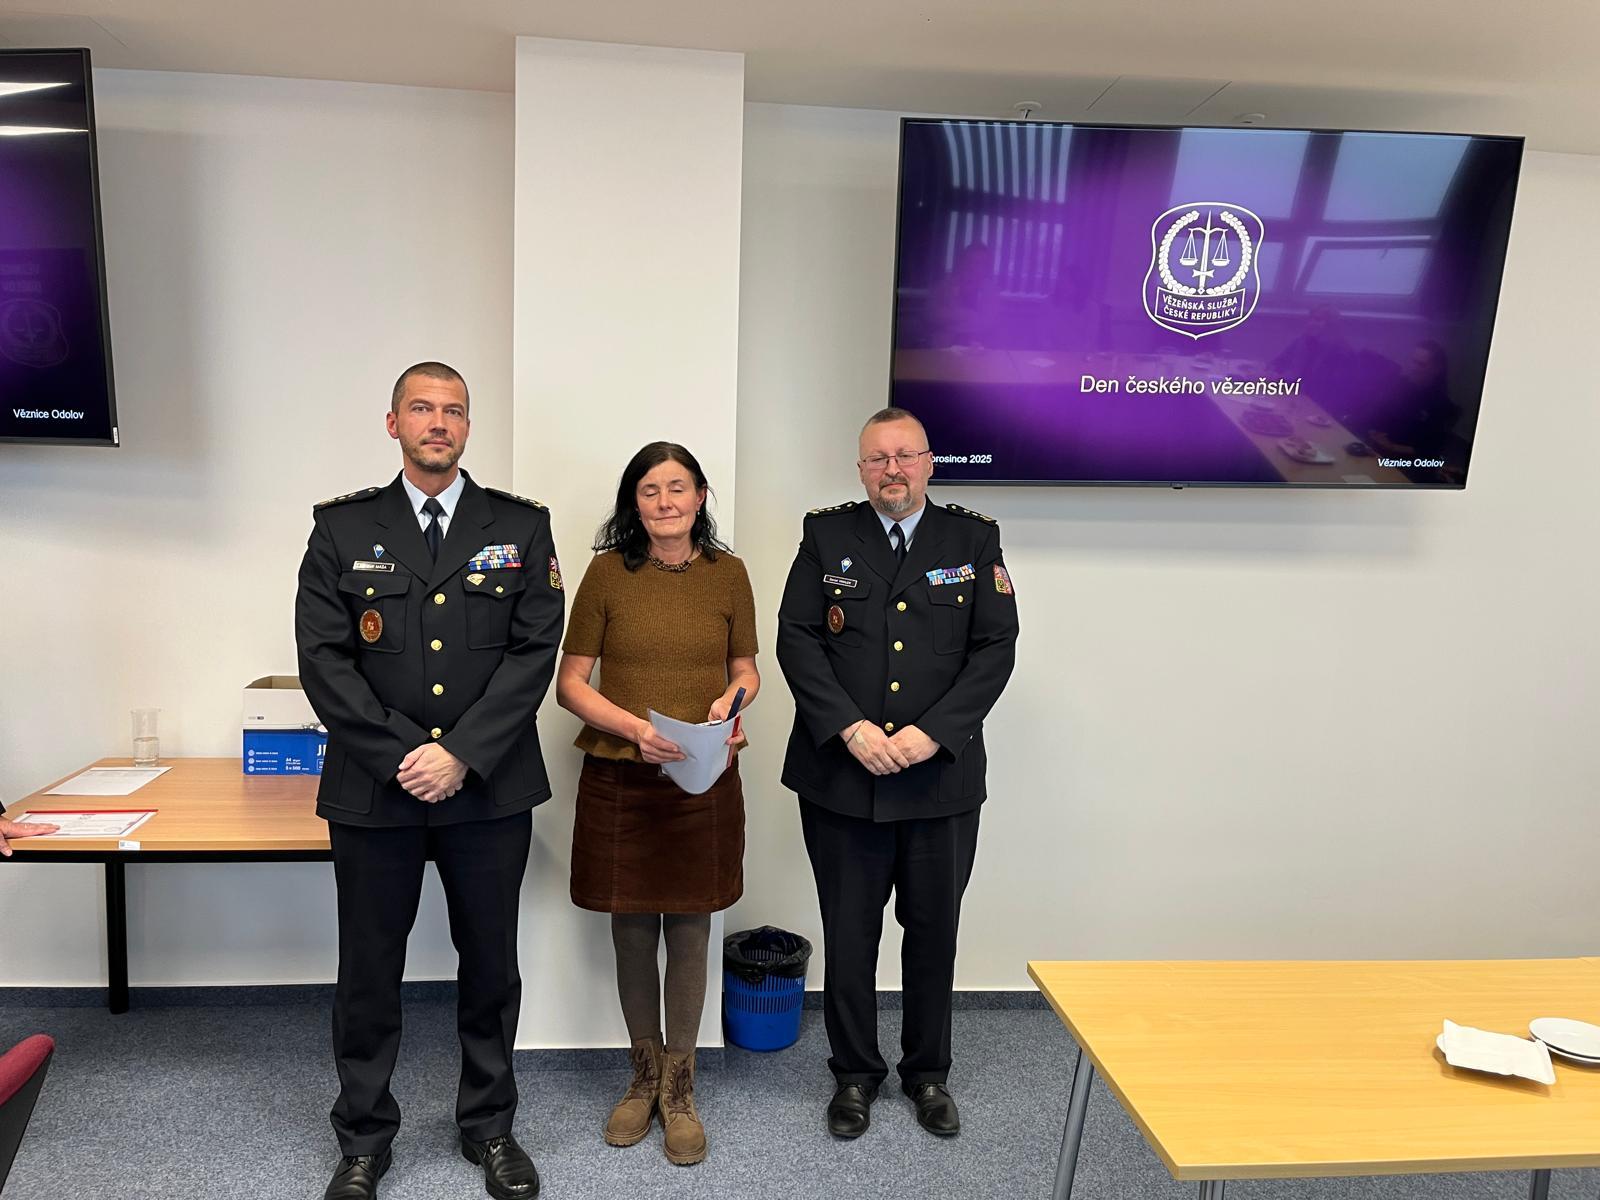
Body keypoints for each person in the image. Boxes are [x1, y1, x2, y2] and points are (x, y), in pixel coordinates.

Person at [295, 362, 563, 1200]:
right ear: (394, 424)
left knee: (490, 965)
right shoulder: (342, 528)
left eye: (453, 410)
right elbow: (324, 659)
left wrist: (462, 755)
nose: (438, 422)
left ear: (468, 428)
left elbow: (533, 653)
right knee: (368, 971)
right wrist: (404, 755)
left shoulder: (520, 526)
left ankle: (490, 1127)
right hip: (376, 789)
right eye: (422, 408)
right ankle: (363, 1140)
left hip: (488, 787)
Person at [776, 406, 1019, 1140]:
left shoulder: (972, 539)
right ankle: (854, 1075)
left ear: (928, 463)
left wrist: (932, 735)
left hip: (938, 780)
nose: (892, 470)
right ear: (861, 469)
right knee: (849, 934)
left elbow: (995, 647)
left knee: (934, 933)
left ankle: (928, 1074)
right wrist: (851, 728)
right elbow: (797, 638)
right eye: (878, 458)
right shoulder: (826, 536)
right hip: (842, 777)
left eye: (905, 456)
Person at [554, 441, 758, 1167]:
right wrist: (635, 730)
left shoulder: (729, 573)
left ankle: (680, 1089)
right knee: (633, 928)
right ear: (633, 503)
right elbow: (570, 683)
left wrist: (732, 706)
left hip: (703, 774)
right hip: (622, 774)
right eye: (650, 490)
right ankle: (641, 1079)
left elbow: (746, 669)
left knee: (693, 928)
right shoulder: (606, 573)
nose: (665, 501)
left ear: (700, 496)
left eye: (678, 487)